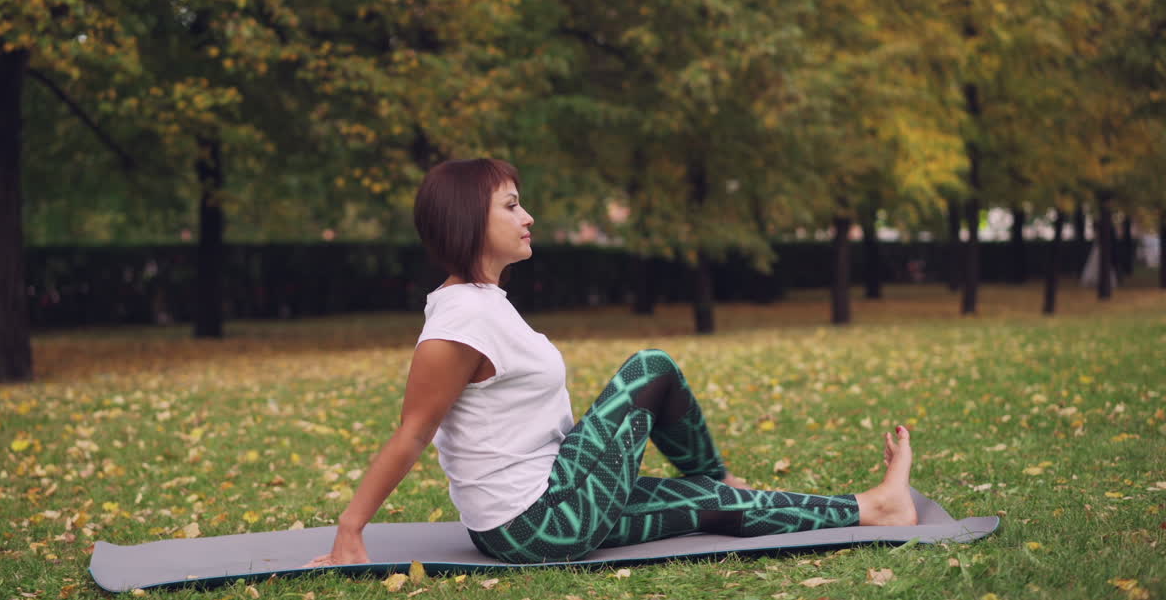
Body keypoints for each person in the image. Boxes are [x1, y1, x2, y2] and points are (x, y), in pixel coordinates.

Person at [305, 158, 916, 567]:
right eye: (512, 206)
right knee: (650, 367)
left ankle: (873, 507)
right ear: (470, 222)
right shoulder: (460, 323)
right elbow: (413, 432)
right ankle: (732, 477)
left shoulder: (485, 303)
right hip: (537, 521)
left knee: (705, 500)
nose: (528, 217)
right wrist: (350, 529)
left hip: (556, 499)